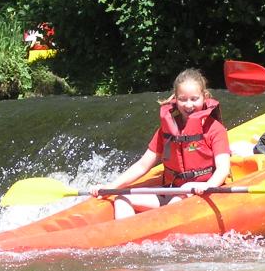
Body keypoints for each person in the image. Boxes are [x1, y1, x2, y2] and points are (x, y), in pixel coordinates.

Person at [90, 68, 231, 219]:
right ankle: (126, 238)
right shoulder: (167, 130)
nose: (188, 105)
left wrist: (207, 185)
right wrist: (111, 187)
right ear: (175, 99)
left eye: (194, 99)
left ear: (204, 97)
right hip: (172, 190)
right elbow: (142, 165)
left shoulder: (215, 129)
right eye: (183, 99)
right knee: (122, 198)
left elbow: (223, 169)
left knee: (181, 195)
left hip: (202, 192)